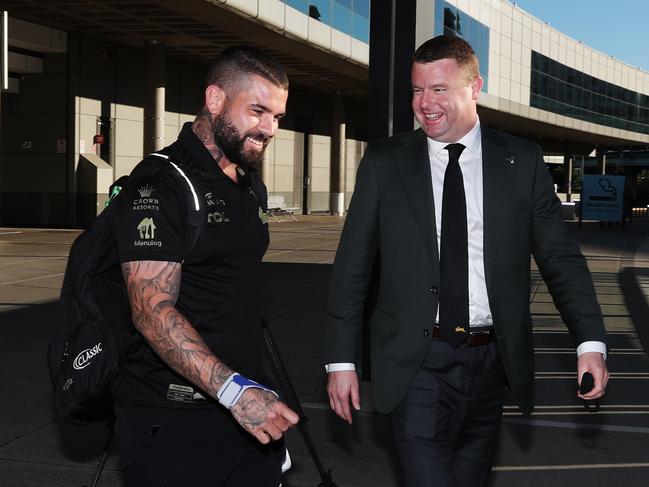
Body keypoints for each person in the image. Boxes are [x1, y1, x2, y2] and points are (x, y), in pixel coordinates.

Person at [324, 35, 609, 487]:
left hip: (490, 362)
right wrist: (342, 361)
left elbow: (560, 259)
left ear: (475, 87)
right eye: (417, 90)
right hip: (415, 361)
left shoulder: (522, 162)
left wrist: (589, 342)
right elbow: (352, 267)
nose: (424, 103)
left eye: (439, 89)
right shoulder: (385, 161)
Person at [111, 46, 299, 486]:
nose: (269, 128)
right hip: (174, 420)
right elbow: (150, 310)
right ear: (215, 100)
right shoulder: (159, 184)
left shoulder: (249, 183)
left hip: (248, 413)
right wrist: (235, 392)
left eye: (278, 117)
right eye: (258, 111)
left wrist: (253, 396)